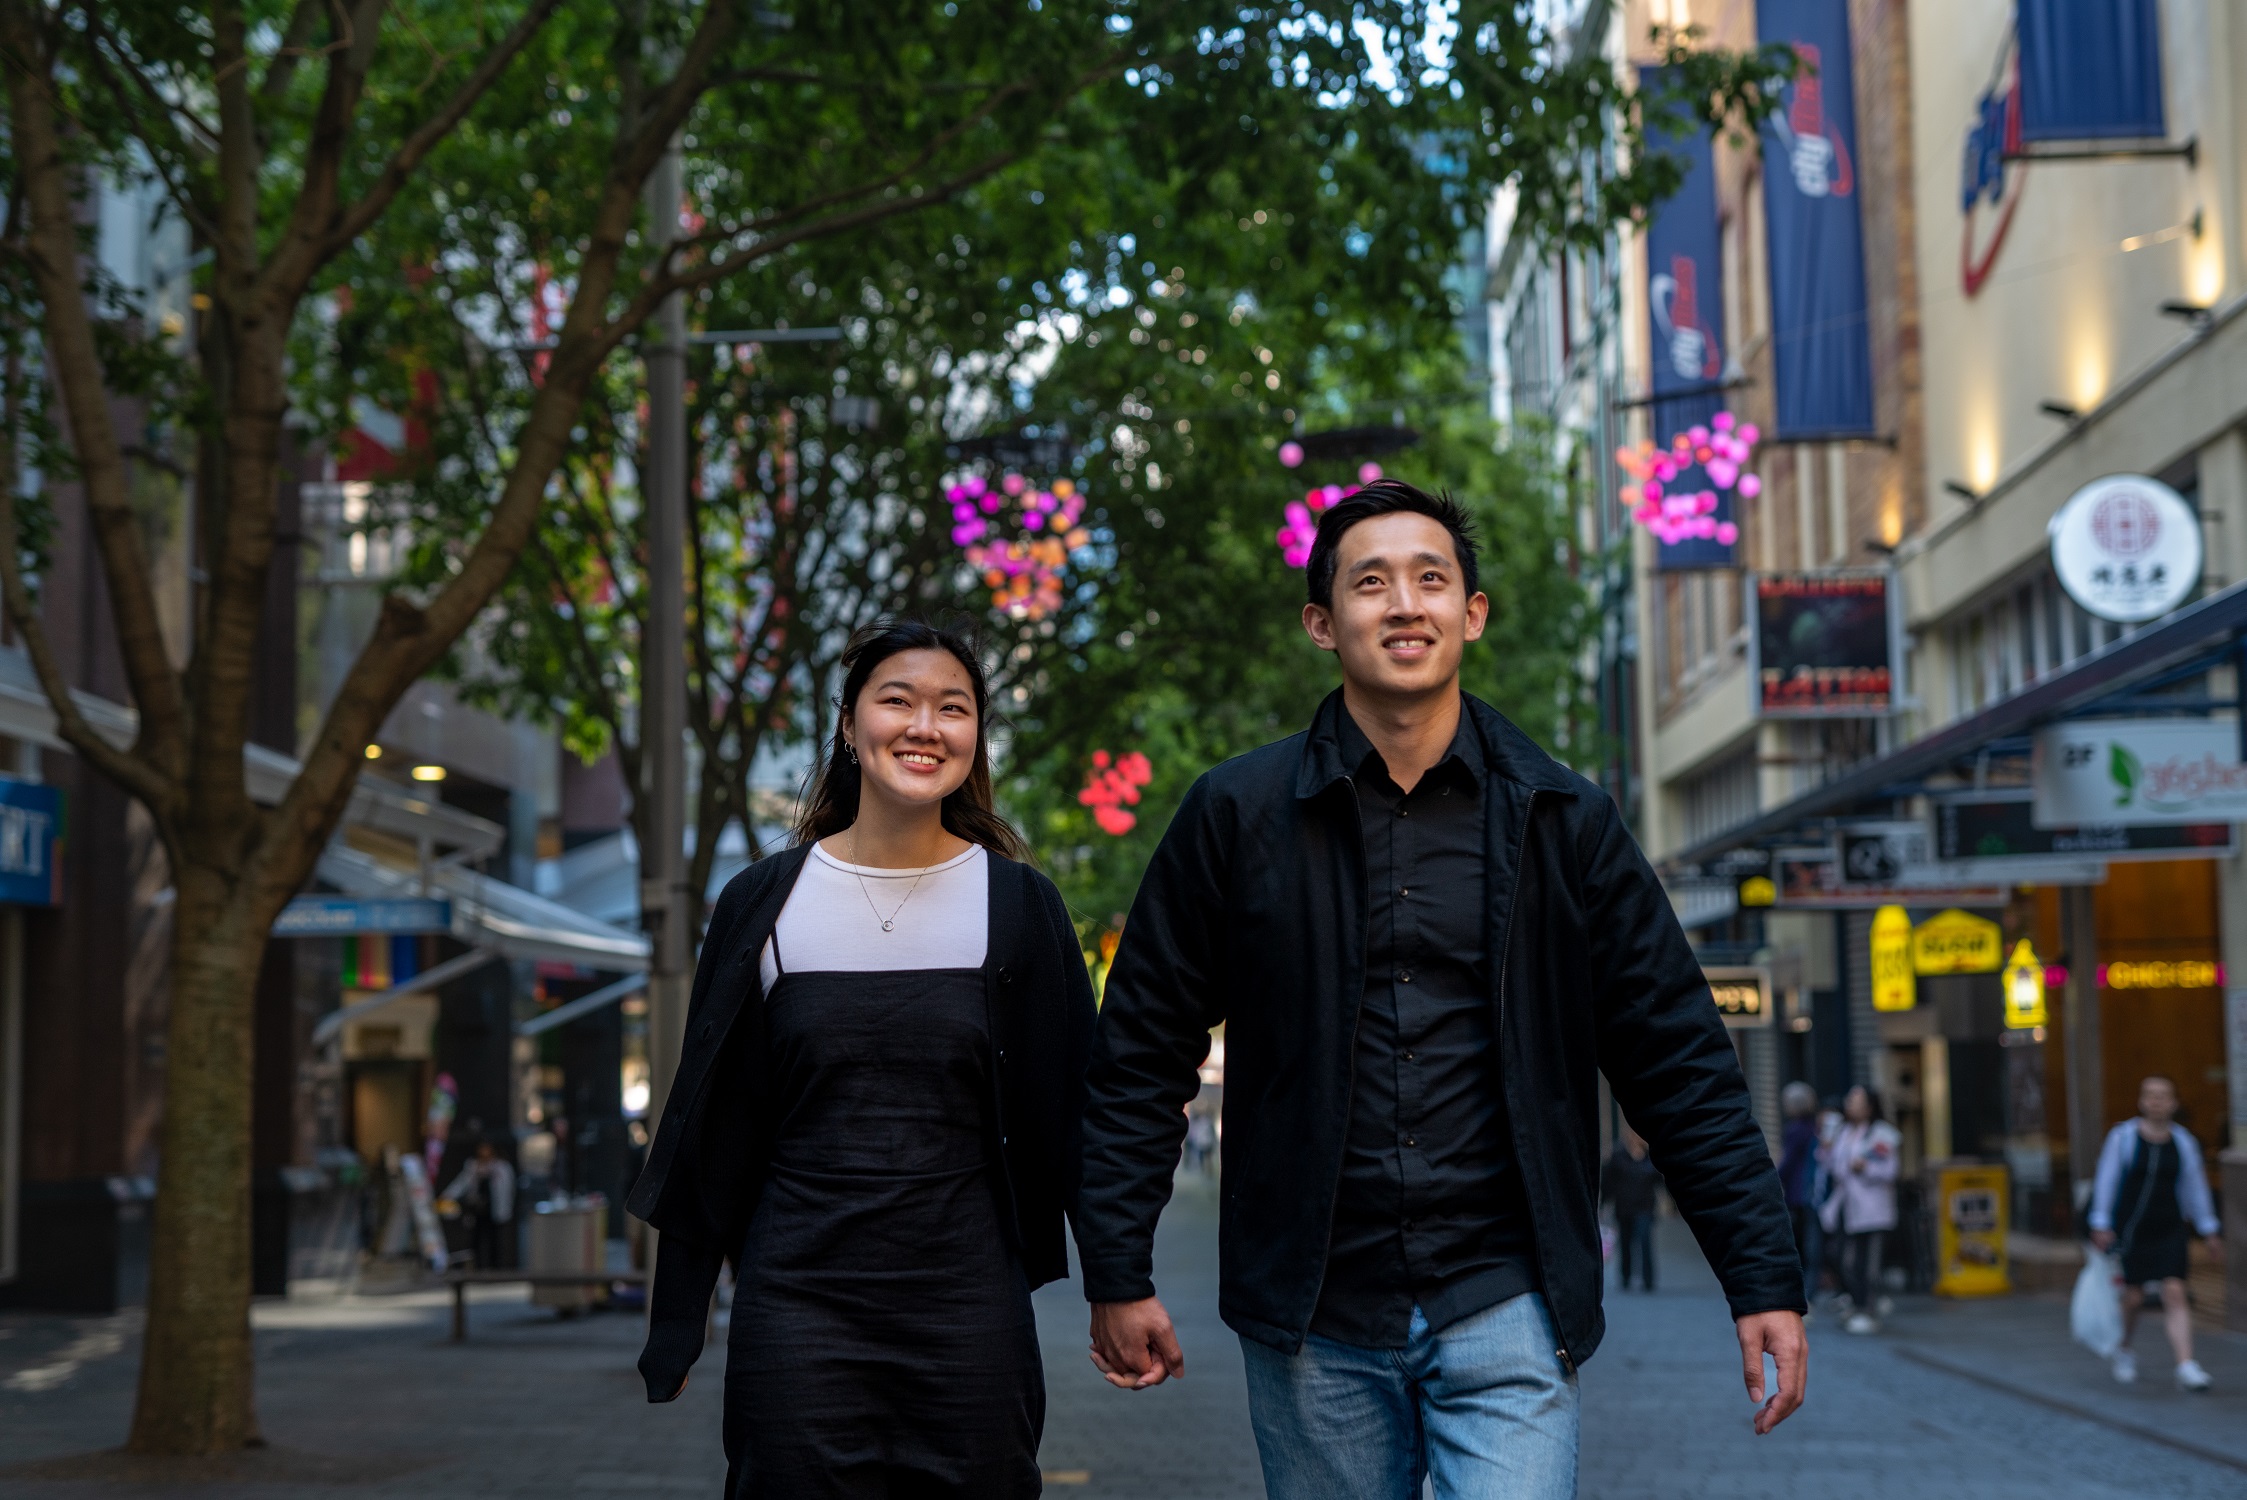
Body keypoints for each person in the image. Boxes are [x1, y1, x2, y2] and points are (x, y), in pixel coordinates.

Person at [1075, 482, 1807, 1500]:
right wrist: (1119, 1268)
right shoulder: (1236, 817)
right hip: (1312, 1312)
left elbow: (1677, 1058)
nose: (1404, 604)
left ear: (1473, 613)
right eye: (1370, 583)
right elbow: (1141, 1051)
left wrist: (1761, 1274)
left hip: (1508, 1300)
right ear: (1323, 624)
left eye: (1432, 578)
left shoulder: (1564, 819)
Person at [627, 619, 1096, 1496]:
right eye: (897, 701)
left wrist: (1121, 1288)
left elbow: (1076, 1111)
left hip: (968, 1307)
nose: (925, 726)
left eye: (952, 708)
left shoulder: (1021, 905)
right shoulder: (762, 903)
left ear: (974, 737)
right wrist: (678, 1317)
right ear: (847, 725)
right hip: (798, 1304)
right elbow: (707, 1114)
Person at [2089, 1074, 2223, 1391]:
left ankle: (2186, 1364)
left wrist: (2208, 1228)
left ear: (2174, 1103)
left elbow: (2194, 1187)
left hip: (2169, 1228)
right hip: (2133, 1229)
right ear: (2141, 1101)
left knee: (2174, 1292)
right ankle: (2123, 1348)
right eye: (2150, 1095)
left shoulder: (2184, 1142)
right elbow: (2106, 1180)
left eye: (2163, 1096)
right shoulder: (2123, 1137)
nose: (2156, 1101)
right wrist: (2100, 1221)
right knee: (2134, 1297)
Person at [1817, 1086, 1898, 1335]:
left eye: (1856, 1100)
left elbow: (1890, 1171)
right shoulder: (1844, 1130)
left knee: (1867, 1264)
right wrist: (1827, 1148)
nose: (1850, 1105)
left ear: (1869, 1106)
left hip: (1872, 1209)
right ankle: (1858, 1302)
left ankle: (1867, 1309)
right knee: (1844, 1258)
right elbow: (1833, 1166)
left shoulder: (1882, 1134)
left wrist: (1866, 1169)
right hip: (1847, 1206)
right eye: (1849, 1099)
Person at [1777, 1082, 1825, 1309]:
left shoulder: (1795, 1130)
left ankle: (1806, 1291)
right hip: (1812, 1191)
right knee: (1811, 1241)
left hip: (1800, 1193)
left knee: (1803, 1243)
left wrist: (1774, 1181)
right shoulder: (1816, 1126)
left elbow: (1787, 1164)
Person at [1600, 1129, 1663, 1293]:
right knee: (1625, 1244)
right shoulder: (1618, 1155)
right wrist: (1603, 1205)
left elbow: (1661, 1180)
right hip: (1624, 1207)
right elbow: (1607, 1182)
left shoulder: (1652, 1157)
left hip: (1645, 1207)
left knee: (1645, 1242)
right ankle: (1626, 1276)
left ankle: (1648, 1279)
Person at [443, 1137, 517, 1270]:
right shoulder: (473, 1166)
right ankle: (479, 1267)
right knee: (476, 1239)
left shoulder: (501, 1167)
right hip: (478, 1210)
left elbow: (508, 1189)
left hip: (494, 1209)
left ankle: (496, 1268)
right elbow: (461, 1183)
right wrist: (447, 1196)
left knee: (495, 1240)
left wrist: (508, 1208)